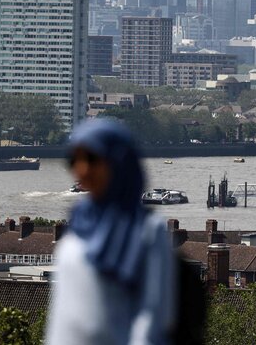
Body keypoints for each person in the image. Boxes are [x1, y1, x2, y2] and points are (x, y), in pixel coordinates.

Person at [46, 119, 177, 344]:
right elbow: (61, 318)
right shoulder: (76, 225)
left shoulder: (148, 230)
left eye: (92, 159)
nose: (82, 169)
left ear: (118, 162)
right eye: (74, 160)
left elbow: (153, 315)